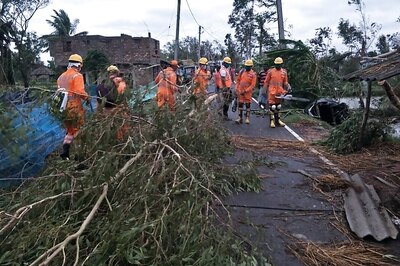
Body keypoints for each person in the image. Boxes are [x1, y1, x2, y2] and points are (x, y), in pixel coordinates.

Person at [57, 54, 89, 159]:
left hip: (63, 109)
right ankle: (79, 157)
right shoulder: (77, 76)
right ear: (79, 65)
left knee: (70, 131)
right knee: (78, 131)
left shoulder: (61, 77)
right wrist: (87, 98)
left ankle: (65, 152)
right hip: (74, 109)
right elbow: (79, 91)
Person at [96, 65, 128, 139]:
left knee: (109, 133)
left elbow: (99, 104)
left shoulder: (100, 86)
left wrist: (98, 116)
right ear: (117, 73)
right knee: (121, 131)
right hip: (119, 110)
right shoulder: (120, 83)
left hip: (106, 112)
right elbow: (124, 98)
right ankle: (121, 144)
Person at [263, 57, 290, 128]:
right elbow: (266, 82)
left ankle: (278, 120)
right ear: (274, 64)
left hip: (280, 92)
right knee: (272, 107)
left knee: (278, 106)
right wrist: (264, 90)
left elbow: (285, 82)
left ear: (281, 64)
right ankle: (272, 121)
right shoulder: (271, 71)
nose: (277, 66)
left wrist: (287, 88)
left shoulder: (284, 72)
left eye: (279, 64)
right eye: (276, 64)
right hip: (272, 92)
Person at [235, 59, 257, 124]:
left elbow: (252, 85)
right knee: (240, 104)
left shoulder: (253, 74)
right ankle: (240, 117)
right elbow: (238, 80)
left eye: (249, 66)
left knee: (248, 105)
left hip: (247, 92)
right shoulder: (242, 72)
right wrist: (237, 88)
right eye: (246, 66)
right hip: (240, 91)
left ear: (251, 66)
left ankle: (247, 117)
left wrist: (246, 90)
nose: (247, 67)